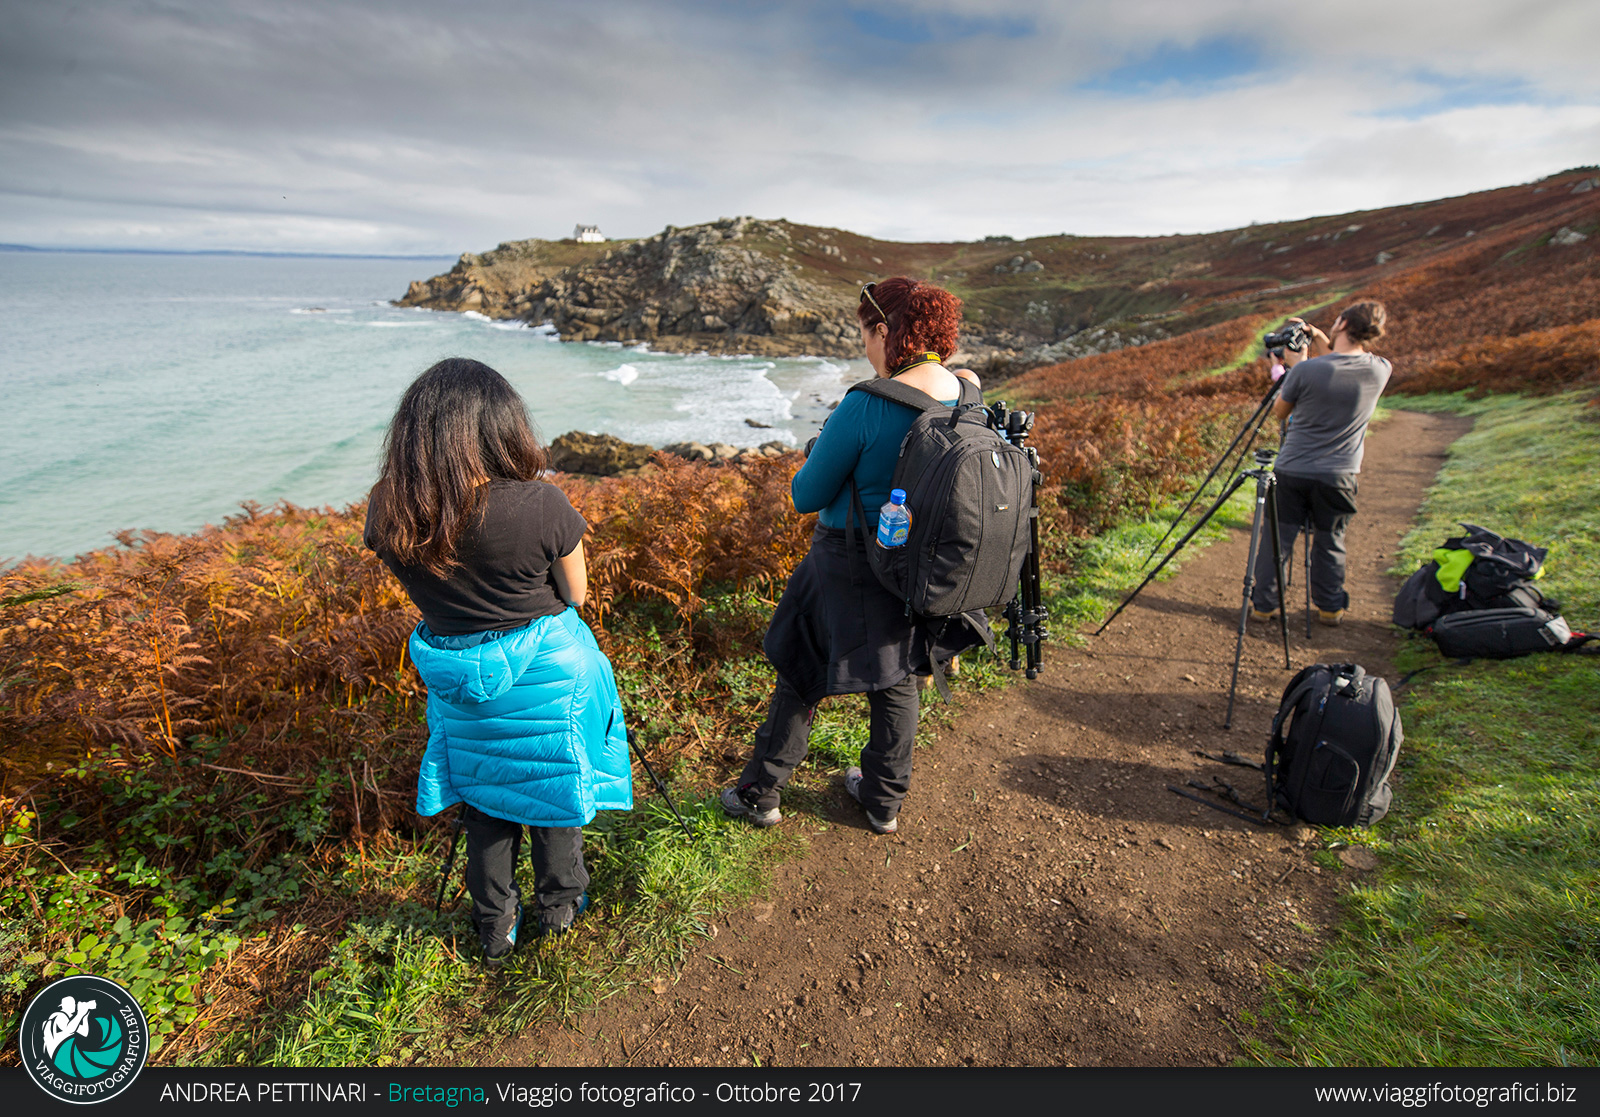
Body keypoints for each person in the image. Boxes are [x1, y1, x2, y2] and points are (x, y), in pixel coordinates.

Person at [364, 358, 631, 963]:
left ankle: (494, 929)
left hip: (458, 679)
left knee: (485, 802)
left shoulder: (391, 509)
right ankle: (561, 911)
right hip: (546, 674)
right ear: (500, 424)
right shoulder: (540, 504)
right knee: (552, 786)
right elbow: (576, 594)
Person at [721, 278, 988, 835]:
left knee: (799, 665)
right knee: (896, 680)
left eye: (865, 333)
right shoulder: (967, 396)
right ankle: (883, 802)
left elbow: (806, 495)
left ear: (886, 331)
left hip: (848, 561)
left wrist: (823, 452)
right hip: (922, 567)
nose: (864, 346)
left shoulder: (868, 402)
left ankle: (760, 793)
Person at [1251, 300, 1391, 626]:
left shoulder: (1304, 371)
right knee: (1330, 540)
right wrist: (1315, 336)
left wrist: (1296, 364)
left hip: (1293, 469)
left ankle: (1264, 605)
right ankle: (1330, 608)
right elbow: (1338, 364)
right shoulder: (1380, 368)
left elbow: (1281, 413)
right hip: (1340, 474)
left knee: (1278, 539)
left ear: (1341, 325)